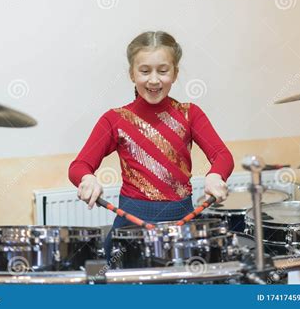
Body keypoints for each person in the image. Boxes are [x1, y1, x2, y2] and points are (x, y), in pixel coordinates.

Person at [68, 31, 234, 260]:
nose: (154, 80)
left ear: (175, 73)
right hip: (130, 228)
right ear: (132, 74)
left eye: (163, 71)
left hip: (181, 225)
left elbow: (222, 155)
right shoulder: (115, 119)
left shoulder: (190, 114)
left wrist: (215, 175)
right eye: (144, 71)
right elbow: (79, 165)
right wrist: (87, 179)